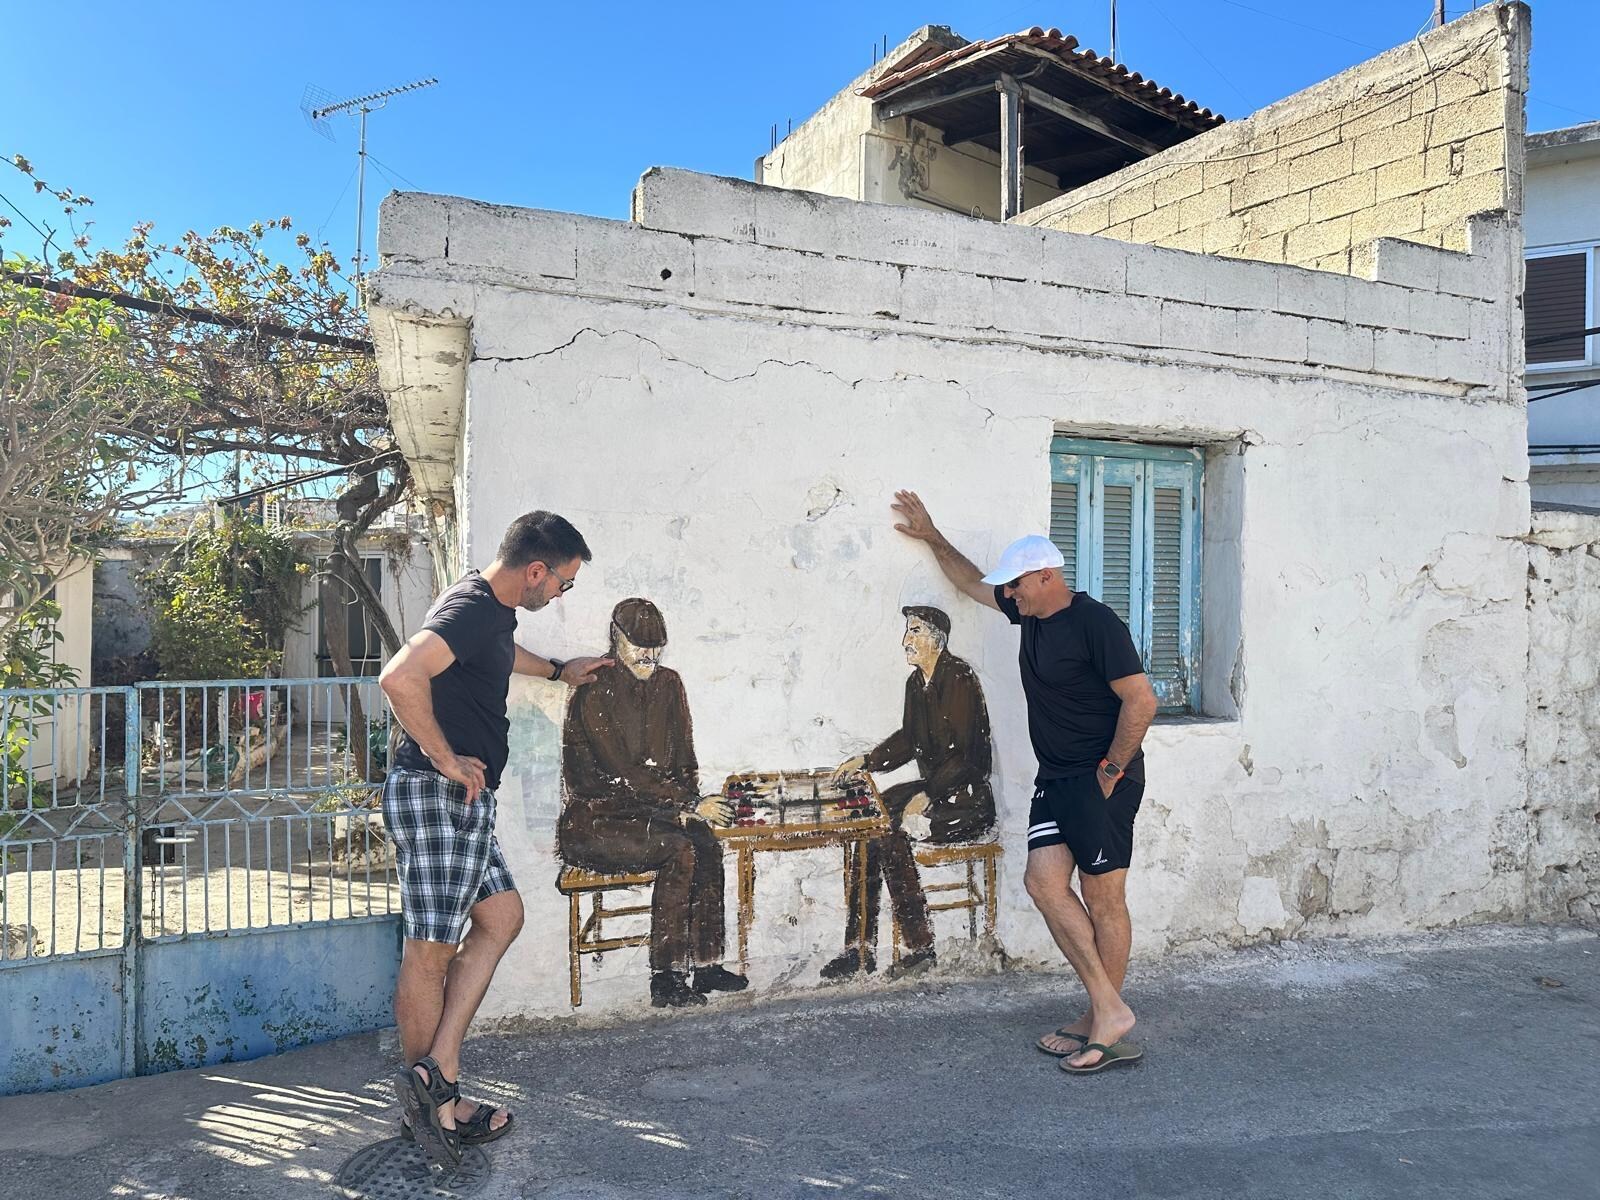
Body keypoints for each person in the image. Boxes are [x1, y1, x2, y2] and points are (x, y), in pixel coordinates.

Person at [889, 490, 1158, 1075]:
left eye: (1016, 585)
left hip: (1100, 779)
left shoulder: (1095, 624)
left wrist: (1110, 771)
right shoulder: (1027, 611)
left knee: (1104, 897)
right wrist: (934, 535)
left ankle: (1104, 1020)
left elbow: (1141, 701)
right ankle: (1106, 1010)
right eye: (1007, 587)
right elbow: (968, 584)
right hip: (1056, 777)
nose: (1007, 594)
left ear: (1045, 576)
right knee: (1043, 883)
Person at [378, 510, 611, 1166]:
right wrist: (446, 758)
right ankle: (435, 1110)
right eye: (563, 583)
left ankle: (436, 1075)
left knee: (501, 917)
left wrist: (558, 670)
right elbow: (400, 676)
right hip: (438, 795)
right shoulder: (476, 607)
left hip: (466, 805)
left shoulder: (488, 606)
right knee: (430, 953)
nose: (561, 594)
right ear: (536, 570)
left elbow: (496, 653)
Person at [558, 597, 748, 1008]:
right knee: (678, 851)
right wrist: (687, 804)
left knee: (706, 843)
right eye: (638, 644)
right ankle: (666, 977)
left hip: (653, 812)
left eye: (655, 645)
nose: (649, 654)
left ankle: (706, 962)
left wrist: (688, 806)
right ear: (616, 638)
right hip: (597, 821)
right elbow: (620, 769)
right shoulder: (594, 690)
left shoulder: (669, 684)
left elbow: (685, 760)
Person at [822, 605, 995, 981]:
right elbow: (909, 739)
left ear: (937, 638)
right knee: (868, 824)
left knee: (891, 838)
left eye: (915, 631)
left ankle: (920, 947)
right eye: (908, 632)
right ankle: (858, 949)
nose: (907, 640)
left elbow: (970, 757)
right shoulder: (915, 684)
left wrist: (929, 795)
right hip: (934, 790)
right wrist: (866, 760)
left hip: (968, 800)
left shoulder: (960, 678)